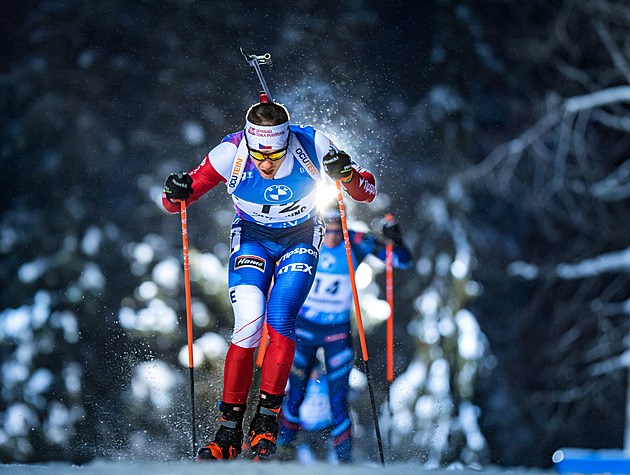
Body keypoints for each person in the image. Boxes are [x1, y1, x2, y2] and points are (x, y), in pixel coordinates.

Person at [161, 100, 376, 461]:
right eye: (258, 154)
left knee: (280, 319)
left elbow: (366, 191)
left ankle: (266, 421)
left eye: (274, 155)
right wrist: (175, 192)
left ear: (286, 142)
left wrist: (348, 175)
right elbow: (176, 203)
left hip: (301, 236)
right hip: (252, 237)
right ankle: (228, 431)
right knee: (247, 325)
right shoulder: (230, 152)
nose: (265, 163)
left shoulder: (312, 143)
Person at [277, 208, 413, 463]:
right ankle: (283, 452)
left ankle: (344, 460)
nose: (333, 235)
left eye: (338, 229)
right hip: (303, 329)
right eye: (327, 229)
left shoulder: (357, 242)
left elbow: (402, 261)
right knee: (294, 394)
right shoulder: (304, 237)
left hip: (336, 332)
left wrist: (396, 241)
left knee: (338, 399)